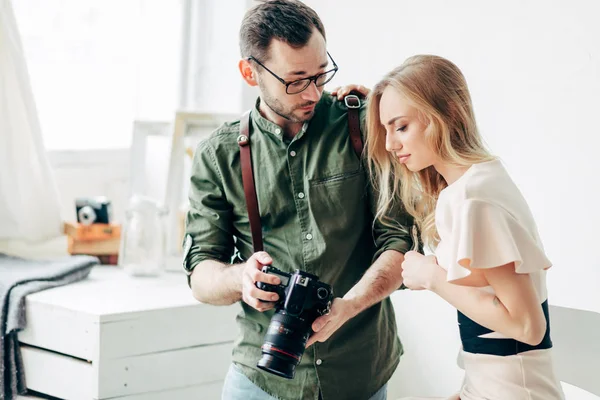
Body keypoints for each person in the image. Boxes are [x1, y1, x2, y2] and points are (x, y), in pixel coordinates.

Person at [182, 1, 416, 399]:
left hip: (359, 369)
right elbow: (200, 273)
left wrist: (349, 306)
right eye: (295, 80)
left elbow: (401, 243)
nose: (313, 91)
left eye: (321, 73)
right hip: (261, 376)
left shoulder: (361, 126)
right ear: (250, 72)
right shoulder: (217, 155)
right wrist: (240, 279)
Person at [365, 54, 565, 400]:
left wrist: (431, 277)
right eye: (386, 129)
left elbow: (528, 327)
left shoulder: (476, 197)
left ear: (445, 115)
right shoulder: (464, 190)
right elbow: (490, 315)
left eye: (401, 126)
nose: (389, 144)